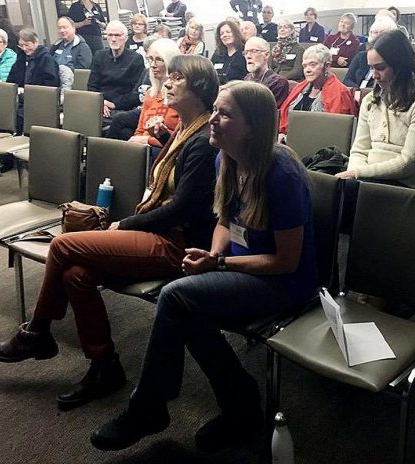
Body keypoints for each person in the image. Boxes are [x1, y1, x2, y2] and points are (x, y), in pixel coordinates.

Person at [90, 80, 317, 453]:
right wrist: (212, 259)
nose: (212, 119)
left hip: (284, 283)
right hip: (243, 266)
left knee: (177, 297)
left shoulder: (282, 175)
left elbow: (286, 261)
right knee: (186, 310)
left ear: (254, 126)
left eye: (224, 114)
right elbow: (225, 223)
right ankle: (241, 404)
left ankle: (149, 407)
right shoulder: (224, 158)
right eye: (214, 109)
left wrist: (220, 263)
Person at [0, 54, 221, 411]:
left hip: (179, 245)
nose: (168, 82)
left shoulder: (203, 140)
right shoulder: (185, 131)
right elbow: (171, 188)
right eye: (169, 76)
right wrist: (164, 137)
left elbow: (182, 208)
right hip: (161, 231)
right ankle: (104, 366)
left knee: (64, 245)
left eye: (177, 78)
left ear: (200, 88)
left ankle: (36, 332)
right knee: (76, 275)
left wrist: (125, 224)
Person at [336, 30, 415, 189]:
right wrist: (354, 176)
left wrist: (357, 174)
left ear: (399, 65)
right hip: (367, 180)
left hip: (404, 185)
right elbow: (359, 151)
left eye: (380, 68)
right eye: (371, 68)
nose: (374, 76)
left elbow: (408, 163)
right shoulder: (370, 100)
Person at [107, 38, 181, 160]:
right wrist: (138, 141)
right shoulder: (150, 94)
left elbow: (179, 140)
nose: (152, 65)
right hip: (145, 146)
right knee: (123, 132)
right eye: (150, 59)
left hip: (164, 148)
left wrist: (147, 140)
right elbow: (140, 130)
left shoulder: (180, 97)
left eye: (159, 60)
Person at [278, 44, 356, 141]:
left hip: (320, 143)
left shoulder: (340, 93)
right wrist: (282, 133)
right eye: (305, 66)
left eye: (313, 65)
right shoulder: (299, 87)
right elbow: (283, 117)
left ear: (326, 66)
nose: (307, 70)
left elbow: (337, 131)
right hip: (290, 139)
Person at [87, 20, 145, 120]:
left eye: (118, 35)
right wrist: (101, 102)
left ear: (126, 38)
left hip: (123, 107)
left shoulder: (135, 59)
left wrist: (114, 104)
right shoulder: (99, 56)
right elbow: (92, 85)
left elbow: (136, 93)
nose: (114, 39)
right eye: (110, 35)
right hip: (100, 104)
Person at [7, 29, 60, 135]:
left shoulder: (46, 58)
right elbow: (11, 78)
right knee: (5, 107)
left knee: (18, 112)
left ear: (35, 42)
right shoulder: (21, 57)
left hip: (40, 97)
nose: (24, 48)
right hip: (21, 96)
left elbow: (52, 84)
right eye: (21, 45)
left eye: (27, 45)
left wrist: (30, 92)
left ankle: (21, 138)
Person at [343, 16, 397, 88]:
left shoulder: (392, 60)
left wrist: (364, 93)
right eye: (375, 32)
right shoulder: (361, 56)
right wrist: (358, 90)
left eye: (382, 33)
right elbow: (347, 79)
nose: (377, 36)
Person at [243, 36, 289, 107]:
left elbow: (269, 112)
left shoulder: (279, 82)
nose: (248, 56)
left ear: (266, 55)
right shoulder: (247, 78)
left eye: (254, 51)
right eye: (246, 52)